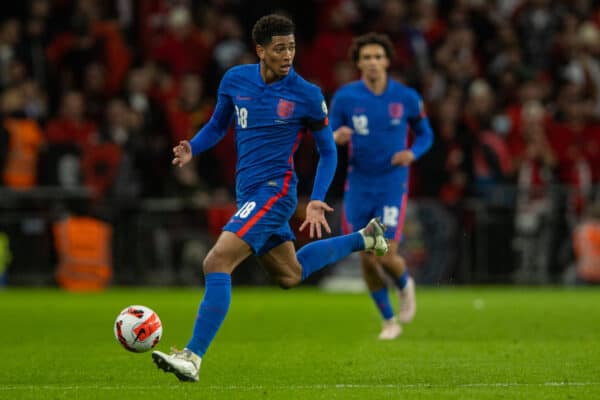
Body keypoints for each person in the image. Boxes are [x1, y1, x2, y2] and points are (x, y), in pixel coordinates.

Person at [151, 14, 388, 382]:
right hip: (248, 191)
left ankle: (193, 356)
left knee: (216, 262)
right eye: (280, 48)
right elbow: (218, 125)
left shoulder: (306, 95)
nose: (288, 55)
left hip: (274, 192)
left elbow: (328, 151)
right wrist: (192, 148)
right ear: (260, 50)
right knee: (290, 275)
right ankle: (365, 237)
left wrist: (316, 198)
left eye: (292, 47)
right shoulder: (235, 80)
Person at [330, 32, 433, 340]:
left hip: (391, 183)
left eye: (378, 57)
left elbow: (426, 134)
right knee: (366, 256)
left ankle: (404, 284)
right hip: (359, 184)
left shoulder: (406, 97)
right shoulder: (345, 97)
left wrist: (412, 153)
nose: (373, 62)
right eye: (367, 58)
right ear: (358, 63)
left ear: (387, 61)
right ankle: (389, 320)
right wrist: (336, 138)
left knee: (384, 254)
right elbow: (329, 132)